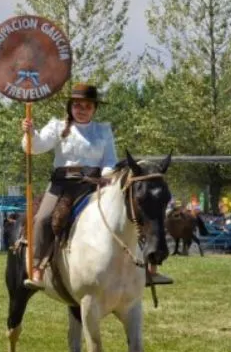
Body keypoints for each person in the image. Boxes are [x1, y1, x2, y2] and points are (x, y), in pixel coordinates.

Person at [21, 83, 172, 290]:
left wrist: (106, 176)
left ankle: (148, 267)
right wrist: (30, 134)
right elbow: (36, 147)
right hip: (62, 185)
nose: (82, 110)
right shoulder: (57, 126)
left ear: (94, 109)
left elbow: (109, 159)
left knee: (129, 214)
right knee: (44, 218)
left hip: (93, 184)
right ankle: (37, 267)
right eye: (78, 105)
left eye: (87, 106)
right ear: (70, 106)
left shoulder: (103, 130)